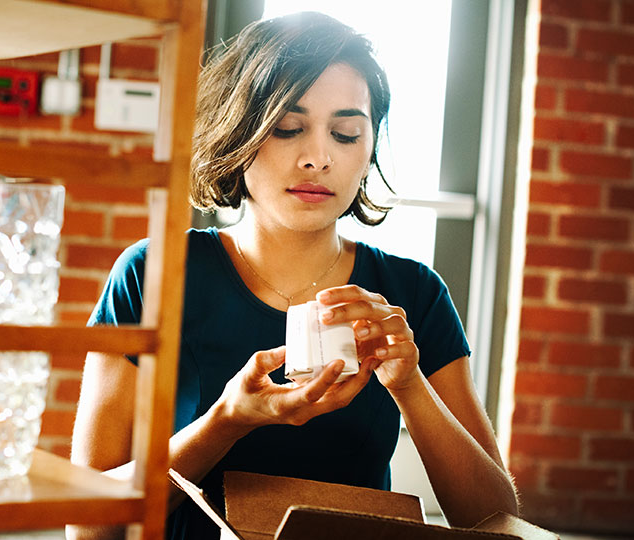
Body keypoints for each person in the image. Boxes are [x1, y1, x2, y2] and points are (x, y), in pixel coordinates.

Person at [68, 11, 519, 540]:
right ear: (239, 133)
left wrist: (410, 385)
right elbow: (90, 522)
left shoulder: (412, 293)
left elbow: (497, 521)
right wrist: (226, 421)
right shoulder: (153, 273)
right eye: (288, 127)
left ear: (368, 148)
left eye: (346, 133)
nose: (318, 158)